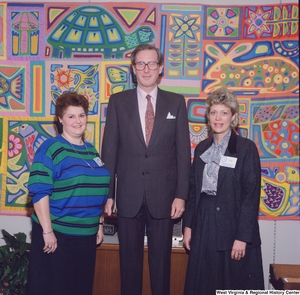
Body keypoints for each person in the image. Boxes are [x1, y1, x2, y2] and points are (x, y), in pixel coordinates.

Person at [101, 43, 191, 295]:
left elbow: (184, 153)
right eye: (140, 63)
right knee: (128, 267)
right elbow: (110, 151)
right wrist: (108, 194)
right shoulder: (118, 102)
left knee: (161, 267)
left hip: (164, 198)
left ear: (161, 67)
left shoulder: (176, 102)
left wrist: (181, 195)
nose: (146, 68)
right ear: (133, 69)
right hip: (127, 197)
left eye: (152, 63)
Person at [26, 92, 110, 295]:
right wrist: (47, 232)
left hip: (86, 238)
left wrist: (98, 224)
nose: (77, 121)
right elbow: (39, 192)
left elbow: (97, 192)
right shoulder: (50, 148)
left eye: (81, 115)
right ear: (60, 119)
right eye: (71, 116)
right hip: (57, 237)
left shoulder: (92, 152)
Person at [183, 87, 264, 294]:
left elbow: (251, 195)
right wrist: (188, 226)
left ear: (233, 117)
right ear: (208, 116)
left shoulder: (246, 148)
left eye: (224, 113)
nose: (218, 118)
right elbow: (193, 191)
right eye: (213, 112)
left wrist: (242, 237)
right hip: (204, 224)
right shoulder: (201, 148)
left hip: (233, 225)